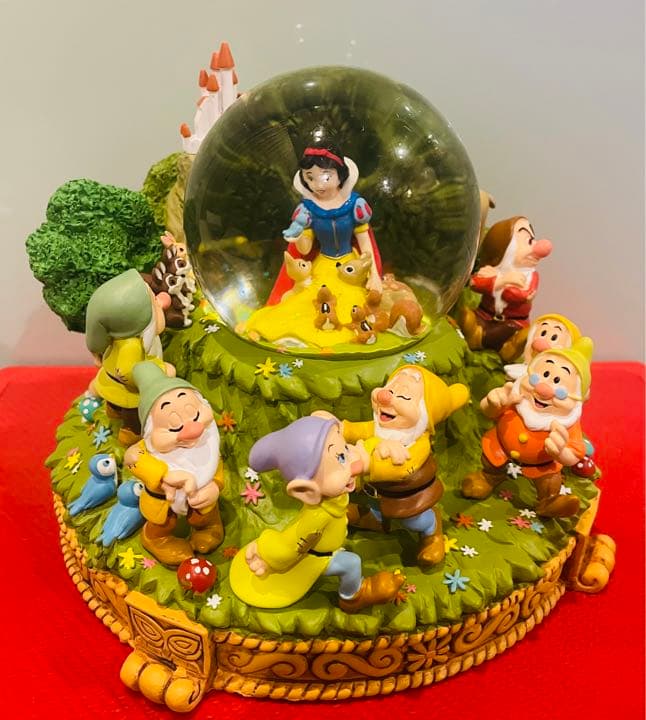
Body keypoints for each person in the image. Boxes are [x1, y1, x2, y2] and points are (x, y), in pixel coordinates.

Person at [229, 415, 405, 612]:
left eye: (345, 450)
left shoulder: (334, 498)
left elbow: (359, 465)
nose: (352, 464)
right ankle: (353, 596)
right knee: (352, 563)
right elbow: (292, 545)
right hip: (318, 556)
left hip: (329, 545)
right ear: (306, 490)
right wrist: (268, 556)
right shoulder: (318, 516)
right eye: (340, 458)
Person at [243, 146, 383, 347]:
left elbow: (365, 244)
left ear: (340, 175)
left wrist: (374, 275)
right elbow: (305, 250)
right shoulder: (307, 209)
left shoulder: (355, 205)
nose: (317, 184)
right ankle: (268, 327)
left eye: (325, 176)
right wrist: (298, 233)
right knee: (307, 302)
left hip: (350, 268)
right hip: (322, 265)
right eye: (310, 178)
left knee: (351, 302)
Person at [462, 338, 593, 517]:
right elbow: (488, 412)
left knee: (549, 480)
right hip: (500, 447)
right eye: (542, 375)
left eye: (558, 385)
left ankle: (549, 502)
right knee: (490, 460)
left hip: (542, 463)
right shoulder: (516, 397)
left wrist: (561, 452)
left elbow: (575, 453)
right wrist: (493, 403)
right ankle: (489, 477)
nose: (543, 390)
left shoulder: (567, 422)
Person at [124, 362, 224, 565]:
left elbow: (216, 465)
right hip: (163, 502)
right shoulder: (147, 448)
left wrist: (214, 486)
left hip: (198, 497)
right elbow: (132, 459)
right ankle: (156, 540)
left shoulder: (208, 439)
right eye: (174, 426)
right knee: (163, 523)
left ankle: (208, 529)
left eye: (195, 415)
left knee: (205, 514)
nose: (191, 431)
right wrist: (164, 475)